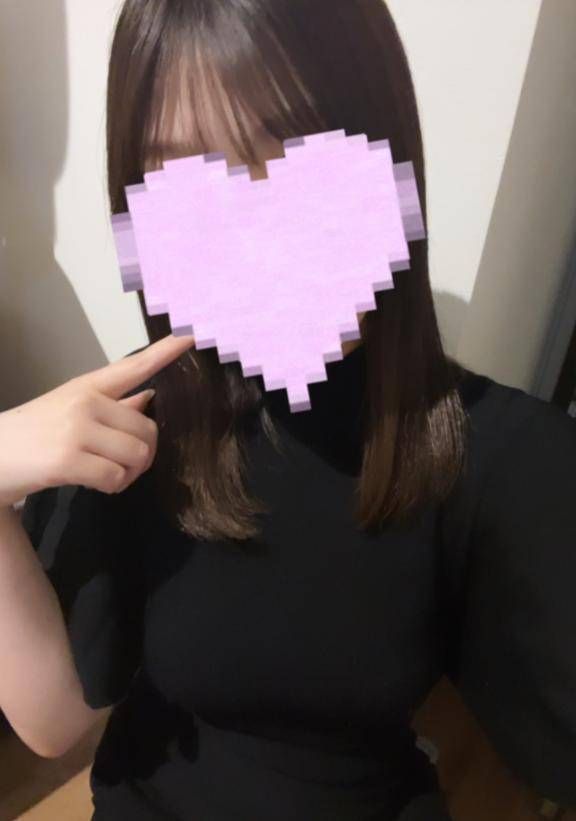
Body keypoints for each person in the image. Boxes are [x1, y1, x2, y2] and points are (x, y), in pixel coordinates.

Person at [1, 1, 575, 819]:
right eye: (187, 175)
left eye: (290, 150)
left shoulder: (491, 451)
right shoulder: (138, 418)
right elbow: (54, 721)